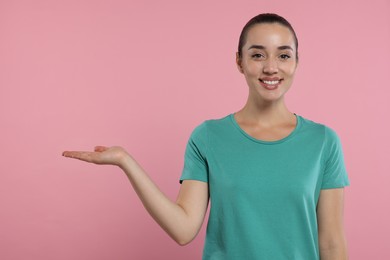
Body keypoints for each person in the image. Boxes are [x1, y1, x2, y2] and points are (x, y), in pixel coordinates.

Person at [63, 13, 350, 260]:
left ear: (296, 62)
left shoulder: (323, 141)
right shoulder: (208, 137)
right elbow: (183, 229)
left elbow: (332, 243)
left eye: (284, 55)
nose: (271, 67)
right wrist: (126, 161)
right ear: (239, 62)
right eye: (258, 54)